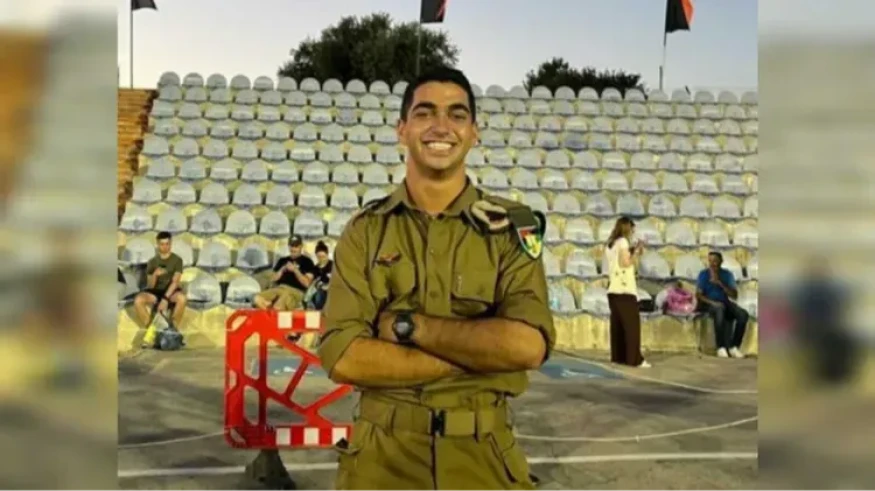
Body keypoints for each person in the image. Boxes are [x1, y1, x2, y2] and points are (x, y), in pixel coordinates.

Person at [318, 67, 555, 491]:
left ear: (474, 132)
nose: (441, 126)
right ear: (402, 130)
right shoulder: (366, 231)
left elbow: (527, 346)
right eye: (425, 113)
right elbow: (342, 356)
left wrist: (411, 327)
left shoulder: (512, 227)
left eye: (457, 115)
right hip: (381, 459)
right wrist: (482, 357)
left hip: (484, 457)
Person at [604, 217, 650, 368]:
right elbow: (625, 263)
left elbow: (619, 258)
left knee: (618, 325)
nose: (632, 233)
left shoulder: (611, 244)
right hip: (624, 289)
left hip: (613, 289)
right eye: (632, 229)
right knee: (631, 326)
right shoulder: (623, 241)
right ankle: (634, 359)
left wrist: (634, 250)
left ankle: (619, 357)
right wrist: (635, 252)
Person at [696, 251, 749, 358]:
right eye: (710, 261)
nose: (712, 264)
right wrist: (713, 303)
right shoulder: (703, 274)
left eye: (715, 261)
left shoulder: (727, 275)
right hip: (708, 303)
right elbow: (699, 295)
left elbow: (734, 295)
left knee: (743, 314)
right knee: (719, 309)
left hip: (724, 302)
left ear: (721, 261)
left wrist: (719, 283)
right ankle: (721, 347)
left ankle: (734, 347)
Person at [133, 231, 187, 329]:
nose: (165, 247)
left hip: (171, 292)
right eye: (162, 244)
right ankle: (152, 329)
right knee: (138, 300)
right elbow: (150, 286)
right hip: (156, 292)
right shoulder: (152, 262)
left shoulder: (177, 260)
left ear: (171, 244)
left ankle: (173, 329)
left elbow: (175, 282)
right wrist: (155, 275)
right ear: (158, 244)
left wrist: (165, 299)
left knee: (182, 298)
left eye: (167, 244)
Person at [253, 235, 316, 311]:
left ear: (301, 246)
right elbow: (273, 279)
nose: (293, 248)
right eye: (291, 246)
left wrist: (295, 270)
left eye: (296, 246)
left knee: (278, 306)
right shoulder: (282, 260)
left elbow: (307, 283)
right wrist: (282, 269)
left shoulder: (307, 262)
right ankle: (270, 309)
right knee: (256, 298)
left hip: (295, 291)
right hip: (279, 288)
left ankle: (273, 309)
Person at [304, 240, 333, 310]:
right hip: (320, 292)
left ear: (327, 255)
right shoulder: (315, 269)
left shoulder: (333, 265)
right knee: (318, 295)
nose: (321, 259)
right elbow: (311, 280)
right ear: (316, 256)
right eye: (319, 257)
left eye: (323, 256)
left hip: (332, 290)